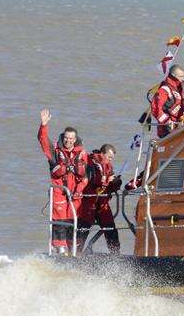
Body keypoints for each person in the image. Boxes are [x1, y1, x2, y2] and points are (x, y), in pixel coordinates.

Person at [37, 109, 88, 255]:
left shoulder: (82, 153)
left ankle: (73, 252)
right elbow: (42, 140)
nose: (68, 140)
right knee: (59, 222)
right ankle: (59, 250)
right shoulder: (54, 151)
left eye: (71, 138)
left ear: (75, 139)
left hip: (75, 194)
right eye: (66, 138)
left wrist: (80, 189)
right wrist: (44, 125)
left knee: (74, 222)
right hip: (60, 192)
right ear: (63, 137)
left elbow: (86, 176)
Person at [78, 144, 122, 254]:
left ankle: (116, 254)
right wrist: (107, 180)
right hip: (89, 202)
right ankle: (75, 253)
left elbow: (109, 187)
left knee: (110, 228)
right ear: (102, 154)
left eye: (112, 159)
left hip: (102, 202)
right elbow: (93, 182)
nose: (110, 160)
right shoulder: (90, 163)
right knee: (83, 228)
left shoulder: (108, 166)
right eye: (109, 157)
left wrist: (116, 183)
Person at [151, 64, 184, 138]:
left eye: (183, 77)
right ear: (173, 76)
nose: (183, 79)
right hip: (167, 131)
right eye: (181, 77)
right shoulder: (164, 90)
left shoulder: (179, 90)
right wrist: (167, 122)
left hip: (180, 127)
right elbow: (155, 109)